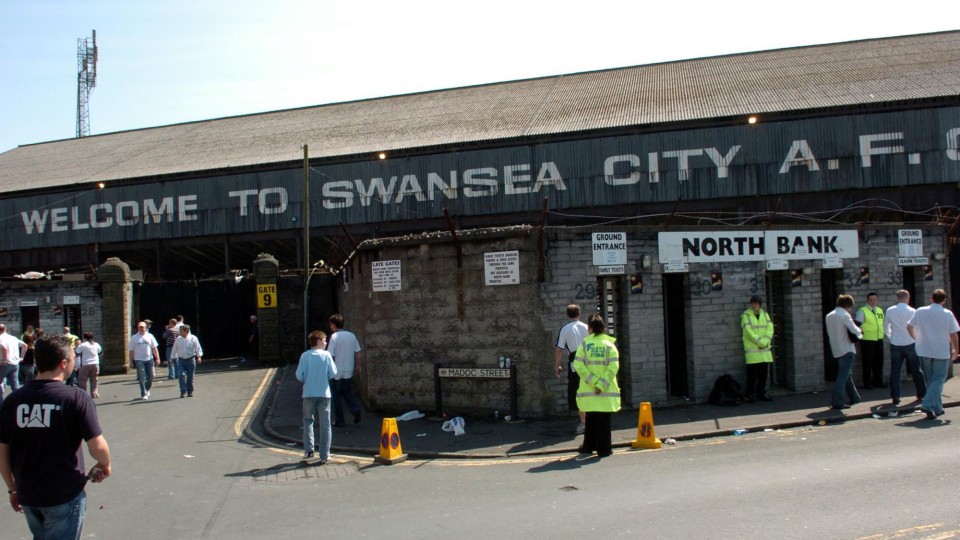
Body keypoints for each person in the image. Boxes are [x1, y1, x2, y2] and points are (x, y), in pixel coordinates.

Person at [0, 335, 112, 539]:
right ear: (63, 363)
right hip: (63, 493)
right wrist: (105, 464)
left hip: (28, 492)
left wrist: (12, 488)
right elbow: (97, 446)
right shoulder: (76, 397)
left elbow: (2, 451)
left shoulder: (12, 401)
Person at [573, 313, 620, 458]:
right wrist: (601, 385)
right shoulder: (610, 345)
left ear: (590, 329)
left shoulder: (585, 344)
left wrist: (593, 383)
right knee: (604, 423)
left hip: (589, 392)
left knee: (591, 421)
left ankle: (588, 447)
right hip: (605, 392)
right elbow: (613, 367)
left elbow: (578, 365)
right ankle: (604, 450)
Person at [908, 289, 960, 419]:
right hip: (940, 350)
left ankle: (938, 408)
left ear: (931, 298)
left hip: (924, 349)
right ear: (944, 300)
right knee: (939, 379)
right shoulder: (947, 313)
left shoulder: (920, 311)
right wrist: (956, 349)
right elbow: (953, 333)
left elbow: (909, 326)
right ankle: (928, 404)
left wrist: (916, 339)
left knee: (931, 379)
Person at [295, 330, 337, 463]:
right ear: (318, 341)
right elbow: (333, 373)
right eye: (324, 340)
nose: (326, 343)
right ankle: (324, 455)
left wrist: (308, 379)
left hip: (308, 394)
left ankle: (309, 451)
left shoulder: (304, 356)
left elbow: (299, 376)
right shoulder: (326, 355)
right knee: (326, 425)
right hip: (324, 394)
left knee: (308, 421)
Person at [883, 289, 926, 405]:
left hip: (896, 343)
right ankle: (922, 393)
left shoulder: (890, 310)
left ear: (898, 298)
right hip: (911, 342)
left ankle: (896, 396)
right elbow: (917, 327)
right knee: (917, 370)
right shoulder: (913, 311)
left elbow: (886, 326)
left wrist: (890, 337)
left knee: (895, 371)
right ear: (908, 297)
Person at [555, 304, 589, 434]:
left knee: (578, 392)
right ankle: (590, 421)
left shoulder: (565, 329)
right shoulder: (586, 327)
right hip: (589, 362)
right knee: (589, 391)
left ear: (567, 314)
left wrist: (557, 366)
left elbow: (559, 350)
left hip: (575, 363)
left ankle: (584, 423)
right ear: (579, 313)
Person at [825, 294, 862, 410]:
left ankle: (855, 397)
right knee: (842, 376)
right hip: (846, 348)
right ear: (848, 305)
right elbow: (853, 329)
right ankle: (837, 402)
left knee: (846, 374)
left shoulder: (829, 315)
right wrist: (860, 330)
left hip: (836, 348)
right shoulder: (844, 315)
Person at [327, 314, 363, 427]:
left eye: (330, 324)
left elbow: (330, 355)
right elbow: (358, 352)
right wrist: (358, 365)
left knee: (336, 396)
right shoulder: (351, 336)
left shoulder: (334, 337)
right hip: (348, 369)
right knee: (346, 391)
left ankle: (340, 420)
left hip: (336, 371)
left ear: (333, 325)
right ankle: (355, 408)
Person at [741, 295, 774, 402]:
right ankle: (749, 395)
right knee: (752, 377)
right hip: (753, 353)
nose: (754, 305)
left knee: (763, 376)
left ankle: (761, 394)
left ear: (760, 304)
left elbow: (770, 329)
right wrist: (761, 342)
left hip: (764, 353)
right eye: (752, 303)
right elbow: (748, 332)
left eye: (756, 303)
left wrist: (764, 342)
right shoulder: (746, 315)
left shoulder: (765, 314)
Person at [855, 292, 886, 389]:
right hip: (867, 340)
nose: (873, 302)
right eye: (870, 300)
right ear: (867, 300)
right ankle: (867, 383)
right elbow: (858, 325)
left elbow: (882, 323)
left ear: (877, 300)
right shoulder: (862, 311)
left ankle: (878, 381)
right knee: (867, 362)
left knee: (879, 361)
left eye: (874, 300)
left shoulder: (879, 310)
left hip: (878, 338)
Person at [128, 322, 160, 400]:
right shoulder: (134, 337)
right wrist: (131, 361)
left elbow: (154, 348)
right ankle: (144, 393)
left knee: (152, 376)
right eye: (140, 327)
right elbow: (131, 351)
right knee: (142, 377)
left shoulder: (150, 336)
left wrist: (157, 358)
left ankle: (147, 389)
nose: (141, 329)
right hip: (139, 360)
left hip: (149, 359)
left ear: (146, 328)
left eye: (143, 327)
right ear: (138, 328)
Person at [171, 324, 203, 398]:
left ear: (186, 331)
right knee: (181, 375)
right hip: (181, 360)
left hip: (190, 359)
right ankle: (183, 391)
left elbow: (198, 348)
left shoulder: (193, 338)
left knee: (190, 376)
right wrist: (173, 358)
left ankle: (190, 391)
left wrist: (199, 357)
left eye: (181, 330)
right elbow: (174, 349)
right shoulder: (178, 339)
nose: (180, 332)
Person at [0, 324, 27, 400]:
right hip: (15, 363)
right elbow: (25, 345)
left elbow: (4, 348)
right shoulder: (13, 338)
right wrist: (21, 357)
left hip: (5, 363)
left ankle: (1, 403)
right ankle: (20, 401)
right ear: (5, 329)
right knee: (15, 384)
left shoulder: (1, 338)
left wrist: (4, 359)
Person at [75, 332, 102, 399]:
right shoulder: (96, 344)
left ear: (84, 338)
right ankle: (94, 393)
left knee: (83, 380)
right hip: (95, 364)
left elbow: (77, 352)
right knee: (94, 379)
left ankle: (84, 395)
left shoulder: (83, 345)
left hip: (85, 364)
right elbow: (100, 352)